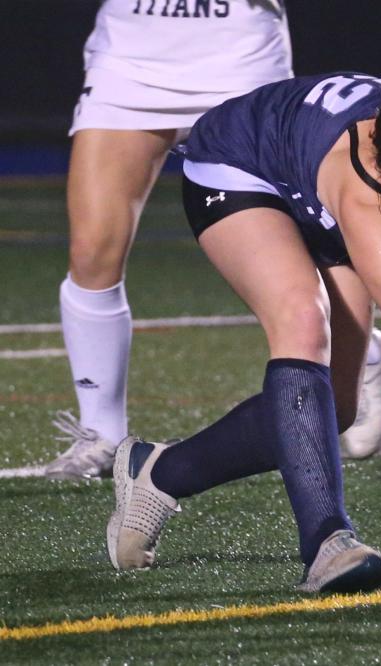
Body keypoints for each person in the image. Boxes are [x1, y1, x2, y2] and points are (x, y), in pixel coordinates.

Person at [106, 72, 381, 594]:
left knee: (333, 411)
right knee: (302, 317)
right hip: (244, 163)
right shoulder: (367, 196)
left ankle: (158, 472)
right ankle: (326, 543)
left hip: (317, 177)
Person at [46, 0, 294, 479]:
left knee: (290, 245)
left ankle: (360, 357)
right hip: (132, 53)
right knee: (92, 250)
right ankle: (102, 432)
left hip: (239, 53)